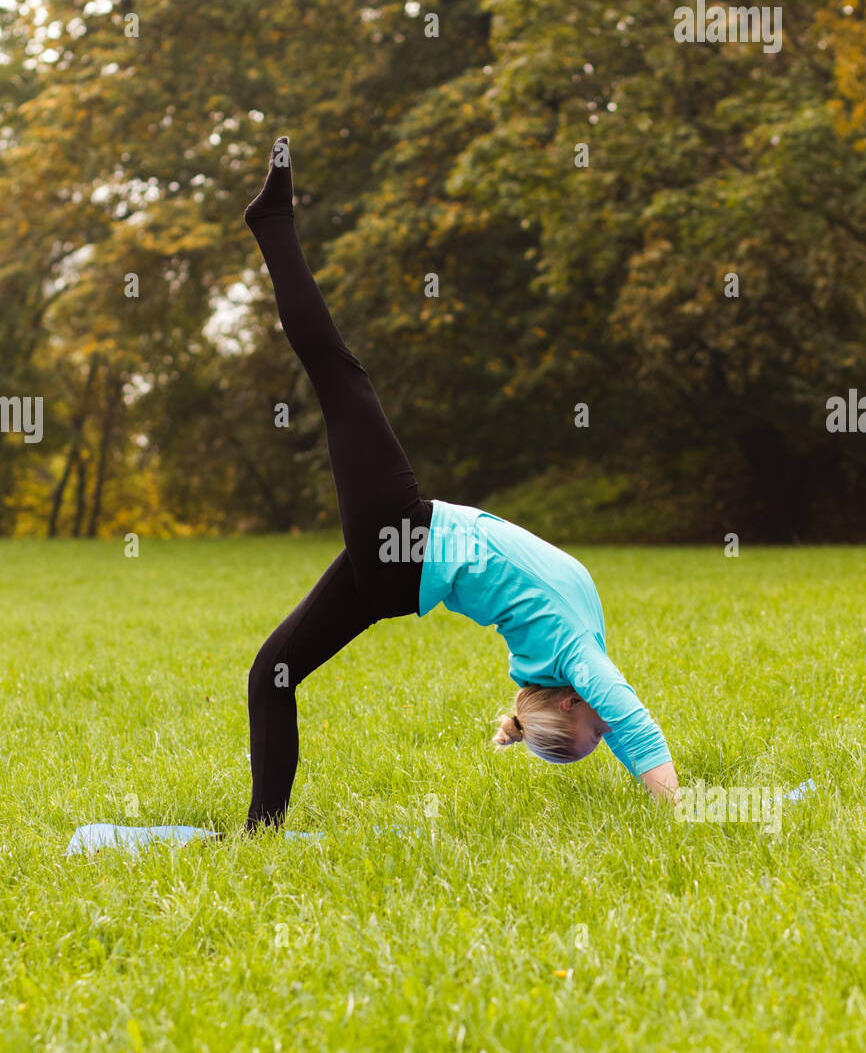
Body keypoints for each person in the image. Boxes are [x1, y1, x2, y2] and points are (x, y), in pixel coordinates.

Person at [243, 138, 679, 829]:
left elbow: (629, 722)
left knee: (340, 377)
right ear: (569, 703)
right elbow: (623, 723)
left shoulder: (573, 656)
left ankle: (272, 225)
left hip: (407, 539)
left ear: (569, 699)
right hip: (399, 561)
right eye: (598, 735)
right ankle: (261, 831)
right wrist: (668, 799)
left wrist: (675, 807)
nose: (610, 728)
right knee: (272, 670)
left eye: (597, 735)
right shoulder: (572, 654)